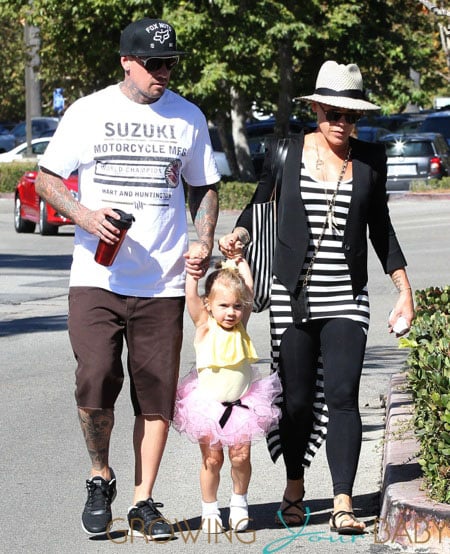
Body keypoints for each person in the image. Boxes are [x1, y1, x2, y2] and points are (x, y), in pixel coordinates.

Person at [35, 18, 219, 539]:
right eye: (154, 63)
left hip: (161, 281)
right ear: (126, 61)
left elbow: (204, 186)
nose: (164, 73)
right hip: (97, 274)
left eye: (171, 64)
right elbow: (48, 179)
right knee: (94, 377)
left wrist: (202, 238)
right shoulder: (89, 112)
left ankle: (143, 501)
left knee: (155, 392)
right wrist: (85, 215)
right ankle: (100, 475)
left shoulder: (188, 117)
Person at [218, 60, 414, 535]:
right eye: (333, 113)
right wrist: (240, 232)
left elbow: (381, 230)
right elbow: (260, 201)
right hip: (292, 296)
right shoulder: (284, 151)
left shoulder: (370, 159)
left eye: (350, 116)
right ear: (316, 110)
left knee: (344, 395)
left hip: (347, 296)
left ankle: (343, 501)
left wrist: (404, 291)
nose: (342, 124)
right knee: (298, 400)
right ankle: (295, 484)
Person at [173, 247, 282, 533]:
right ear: (209, 304)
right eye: (223, 306)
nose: (231, 312)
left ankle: (239, 503)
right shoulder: (204, 325)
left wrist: (242, 262)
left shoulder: (241, 324)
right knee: (212, 459)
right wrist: (192, 275)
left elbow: (248, 287)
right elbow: (190, 297)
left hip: (242, 405)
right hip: (208, 406)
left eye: (236, 306)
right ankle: (209, 508)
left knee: (240, 457)